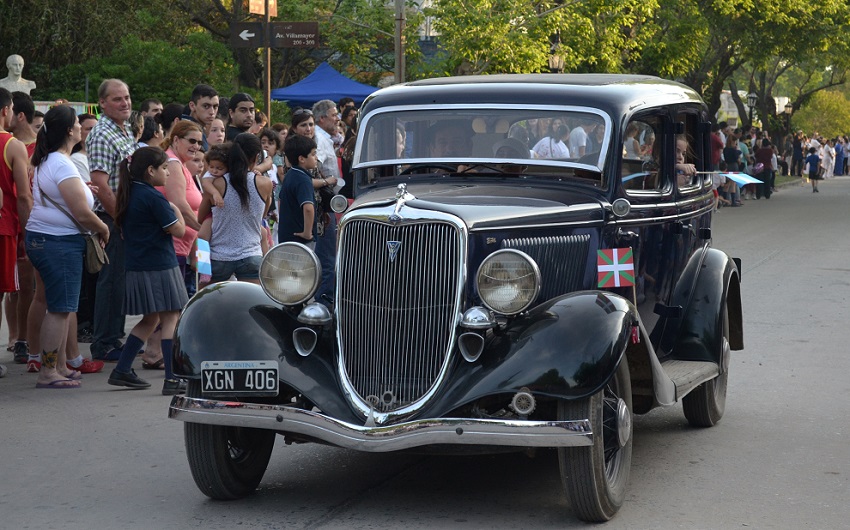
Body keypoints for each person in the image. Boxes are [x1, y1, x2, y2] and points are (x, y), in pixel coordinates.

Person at [26, 105, 110, 389]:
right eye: (77, 123)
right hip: (58, 242)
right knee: (60, 309)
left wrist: (84, 190)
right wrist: (103, 227)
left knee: (55, 304)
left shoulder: (50, 160)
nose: (80, 127)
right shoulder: (61, 163)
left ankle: (58, 365)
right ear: (69, 131)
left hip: (44, 238)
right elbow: (81, 212)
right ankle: (49, 371)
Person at [108, 147, 188, 394]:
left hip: (138, 265)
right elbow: (179, 230)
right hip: (160, 265)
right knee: (171, 318)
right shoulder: (153, 197)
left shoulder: (131, 193)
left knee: (151, 318)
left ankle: (122, 369)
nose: (167, 172)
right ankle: (172, 378)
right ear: (150, 171)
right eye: (164, 168)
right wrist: (175, 211)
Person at [86, 78, 137, 361]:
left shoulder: (124, 129)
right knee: (112, 280)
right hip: (112, 217)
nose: (125, 103)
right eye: (117, 99)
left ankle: (114, 338)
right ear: (102, 103)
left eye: (127, 97)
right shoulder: (102, 134)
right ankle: (103, 342)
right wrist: (120, 221)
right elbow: (101, 185)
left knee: (120, 281)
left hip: (123, 215)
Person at [198, 133, 272, 285]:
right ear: (256, 157)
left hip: (218, 257)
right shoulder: (265, 184)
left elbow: (201, 217)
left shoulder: (216, 184)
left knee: (209, 306)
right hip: (251, 255)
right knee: (252, 306)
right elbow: (262, 215)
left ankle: (202, 272)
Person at [0, 88, 33, 364]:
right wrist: (28, 231)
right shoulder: (12, 145)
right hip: (5, 227)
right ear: (5, 110)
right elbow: (23, 195)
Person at [278, 134, 317, 245]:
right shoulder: (303, 179)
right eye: (313, 154)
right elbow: (308, 208)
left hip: (286, 235)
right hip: (300, 240)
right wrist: (307, 232)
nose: (316, 158)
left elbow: (281, 201)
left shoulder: (290, 174)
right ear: (301, 159)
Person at [183, 84, 219, 151]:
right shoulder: (186, 131)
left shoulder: (198, 129)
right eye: (206, 106)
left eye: (215, 107)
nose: (212, 112)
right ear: (192, 106)